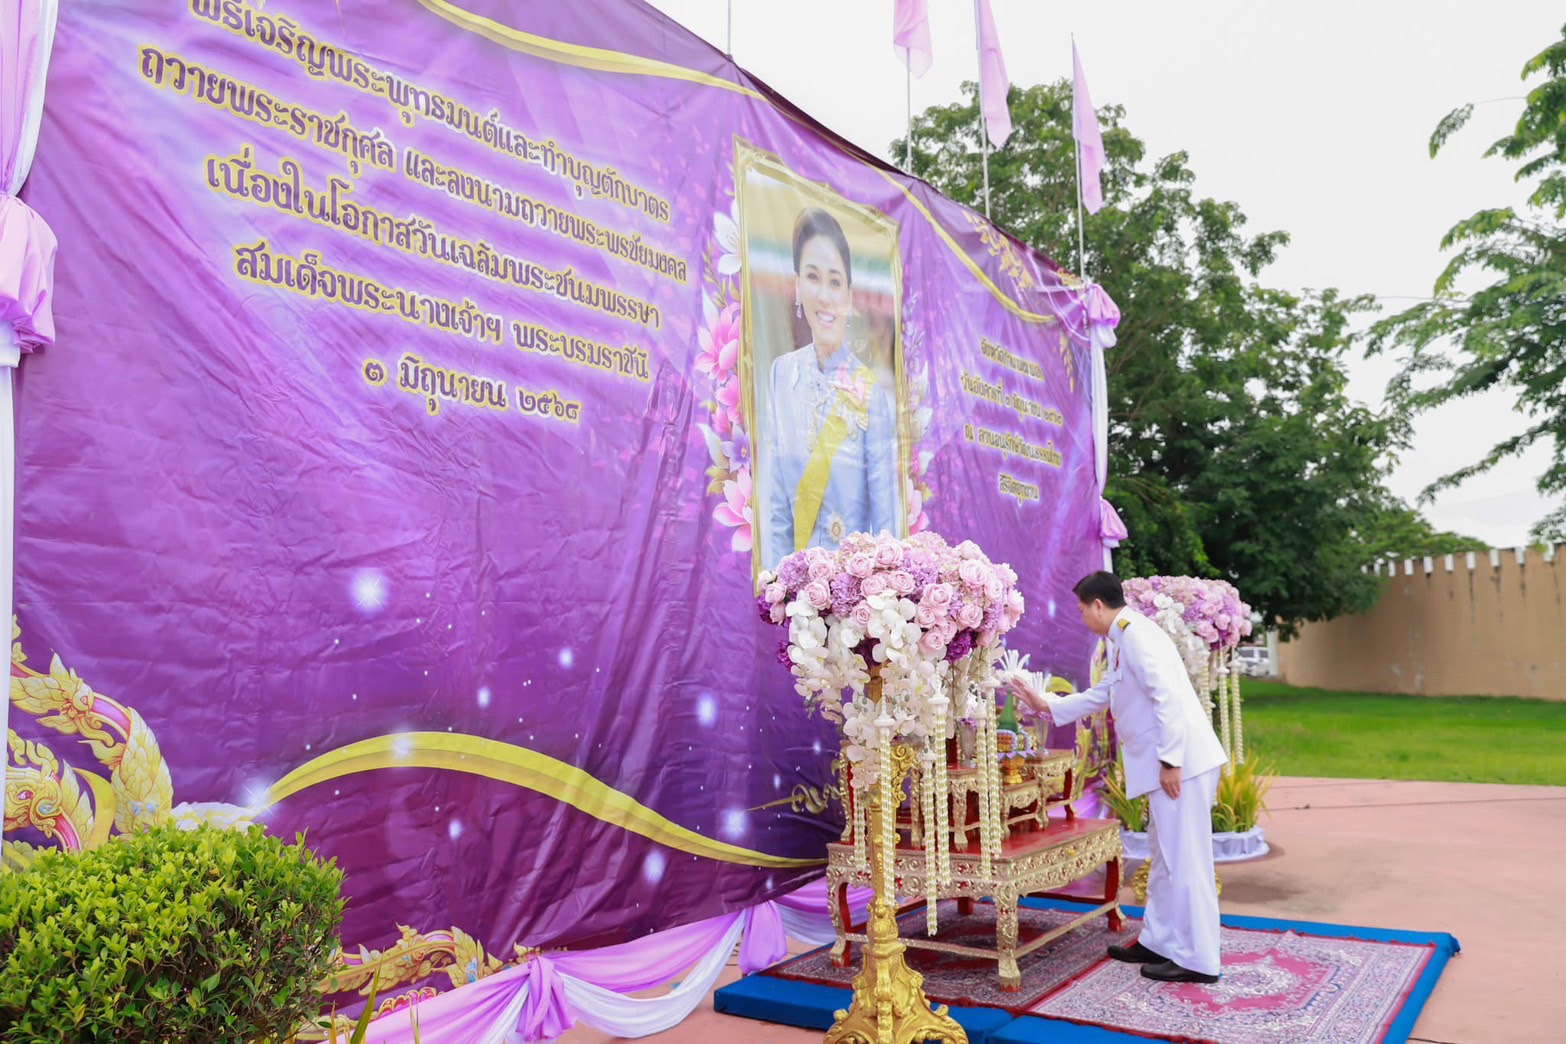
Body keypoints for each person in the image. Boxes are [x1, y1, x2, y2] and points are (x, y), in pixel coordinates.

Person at [1009, 571, 1228, 983]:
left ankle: (1199, 960)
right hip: (1172, 763)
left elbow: (1168, 698)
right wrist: (1046, 705)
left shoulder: (1137, 636)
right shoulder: (1123, 638)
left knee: (1187, 861)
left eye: (1081, 610)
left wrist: (1171, 762)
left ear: (1098, 605)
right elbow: (1104, 694)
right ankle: (1159, 941)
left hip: (1183, 764)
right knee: (1164, 857)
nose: (1081, 618)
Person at [763, 207, 898, 568]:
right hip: (797, 589)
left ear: (849, 297)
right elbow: (778, 508)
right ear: (797, 286)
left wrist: (882, 586)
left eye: (835, 282)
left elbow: (886, 522)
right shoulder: (781, 374)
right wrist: (777, 586)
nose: (824, 295)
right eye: (813, 277)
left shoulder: (871, 393)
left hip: (853, 588)